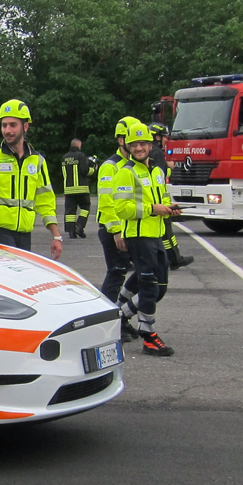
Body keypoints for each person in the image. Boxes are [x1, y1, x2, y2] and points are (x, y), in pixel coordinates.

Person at [113, 122, 182, 357]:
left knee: (160, 286)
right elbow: (122, 208)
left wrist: (170, 207)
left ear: (150, 145)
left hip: (156, 234)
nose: (139, 147)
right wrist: (154, 209)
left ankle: (119, 315)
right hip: (138, 236)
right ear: (129, 146)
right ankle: (148, 335)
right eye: (135, 144)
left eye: (143, 143)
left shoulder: (157, 171)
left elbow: (162, 196)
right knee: (150, 285)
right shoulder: (125, 171)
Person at [0, 99, 62, 259]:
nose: (7, 130)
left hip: (25, 233)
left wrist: (56, 236)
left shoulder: (38, 161)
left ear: (25, 126)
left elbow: (45, 201)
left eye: (12, 125)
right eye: (4, 125)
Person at [96, 116, 142, 340]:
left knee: (133, 274)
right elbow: (107, 202)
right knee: (115, 275)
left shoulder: (134, 166)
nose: (135, 143)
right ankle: (104, 325)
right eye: (130, 139)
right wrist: (116, 230)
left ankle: (121, 319)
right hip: (113, 230)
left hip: (131, 230)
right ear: (121, 140)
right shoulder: (110, 166)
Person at [149, 122, 194, 270]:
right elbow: (160, 177)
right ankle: (175, 259)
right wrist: (170, 167)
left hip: (151, 199)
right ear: (156, 137)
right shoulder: (156, 152)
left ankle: (171, 258)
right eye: (163, 137)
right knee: (167, 233)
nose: (165, 140)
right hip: (160, 198)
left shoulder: (148, 152)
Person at [61, 138, 95, 238]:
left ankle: (71, 232)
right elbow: (84, 171)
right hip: (81, 189)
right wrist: (93, 169)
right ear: (79, 145)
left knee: (70, 211)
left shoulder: (64, 157)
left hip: (68, 189)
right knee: (85, 207)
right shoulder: (81, 156)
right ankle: (79, 227)